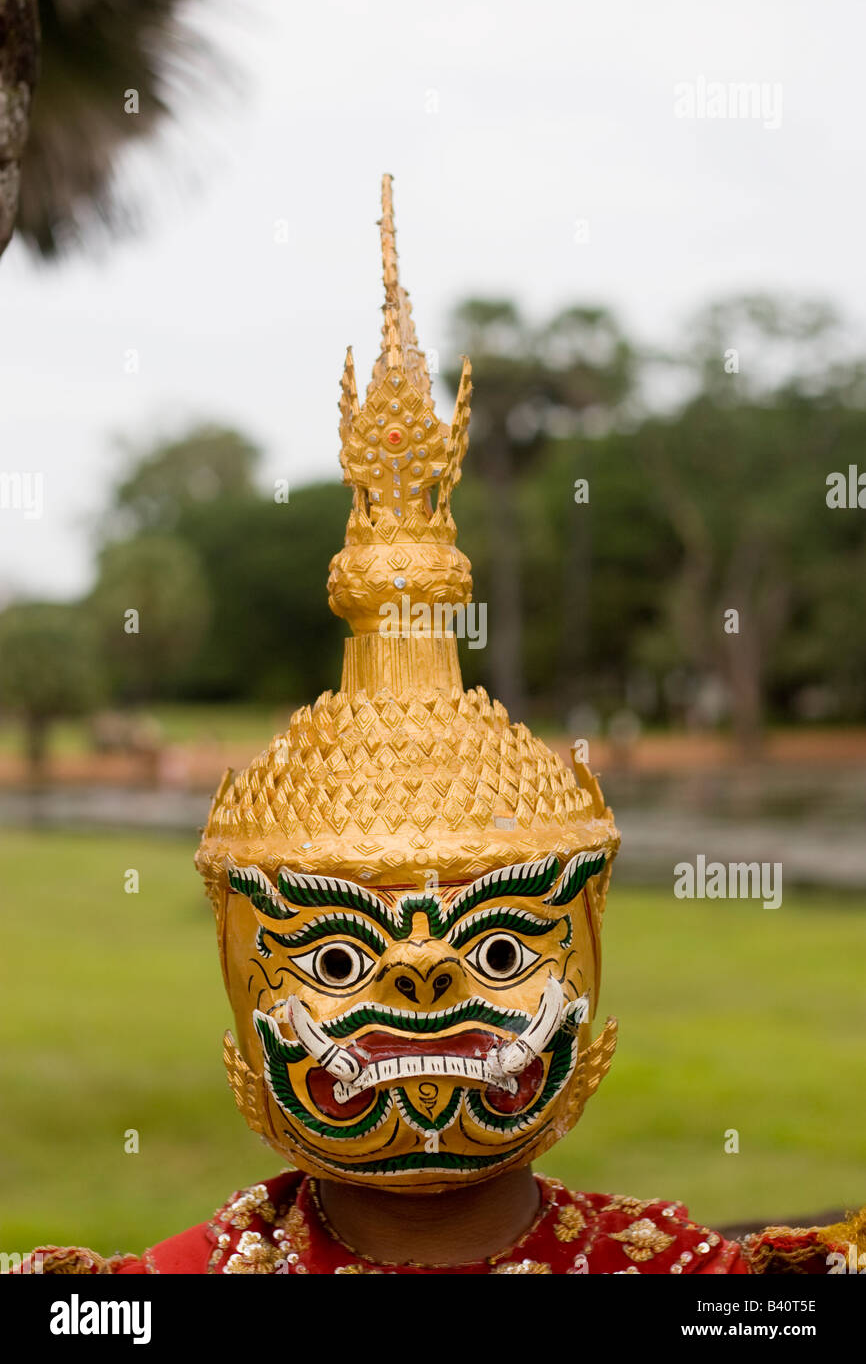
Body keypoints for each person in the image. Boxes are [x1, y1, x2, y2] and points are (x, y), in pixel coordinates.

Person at [15, 179, 863, 1276]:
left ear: (586, 946)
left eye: (501, 947)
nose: (422, 980)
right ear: (239, 963)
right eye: (331, 953)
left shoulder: (705, 1281)